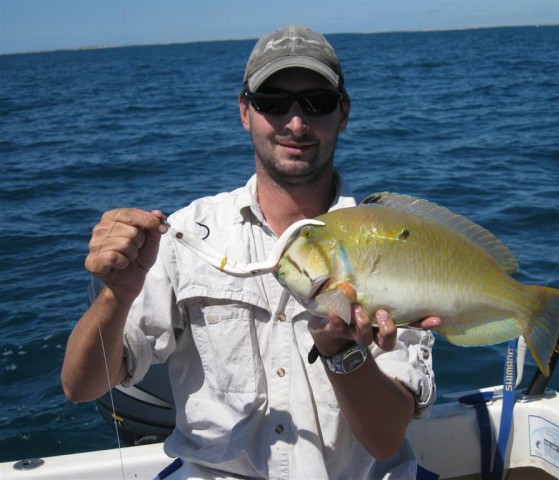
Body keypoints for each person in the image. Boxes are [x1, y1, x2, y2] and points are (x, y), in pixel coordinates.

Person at [62, 25, 440, 479]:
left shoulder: (395, 244)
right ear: (245, 111)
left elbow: (385, 441)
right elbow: (80, 386)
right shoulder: (187, 236)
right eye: (273, 102)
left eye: (316, 102)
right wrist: (116, 295)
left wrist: (343, 355)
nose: (295, 123)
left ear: (343, 113)